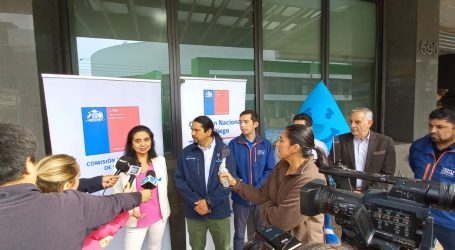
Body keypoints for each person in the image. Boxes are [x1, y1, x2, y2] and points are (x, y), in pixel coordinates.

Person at [0, 123, 152, 250]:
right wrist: (140, 197)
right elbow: (114, 204)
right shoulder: (71, 205)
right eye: (77, 177)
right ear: (27, 164)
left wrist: (99, 181)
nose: (143, 144)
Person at [220, 124, 326, 245]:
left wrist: (266, 205)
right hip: (281, 242)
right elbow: (261, 195)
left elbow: (281, 220)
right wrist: (234, 182)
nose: (277, 143)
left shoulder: (310, 178)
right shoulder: (282, 166)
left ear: (295, 148)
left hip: (303, 245)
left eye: (281, 140)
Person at [36, 154, 130, 250]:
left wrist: (98, 181)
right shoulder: (77, 214)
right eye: (78, 177)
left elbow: (68, 188)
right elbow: (107, 228)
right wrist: (127, 201)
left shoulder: (33, 205)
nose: (78, 181)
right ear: (68, 185)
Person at [274, 112, 338, 245]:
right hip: (292, 191)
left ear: (310, 129)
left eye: (300, 128)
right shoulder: (283, 148)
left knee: (313, 228)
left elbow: (325, 168)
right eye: (294, 127)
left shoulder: (320, 146)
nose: (296, 131)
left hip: (314, 192)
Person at [174, 116, 235, 250]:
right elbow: (179, 180)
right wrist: (197, 201)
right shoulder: (186, 152)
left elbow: (229, 182)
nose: (192, 133)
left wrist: (209, 202)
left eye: (197, 130)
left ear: (208, 131)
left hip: (219, 211)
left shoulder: (224, 151)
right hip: (194, 211)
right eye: (192, 129)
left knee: (224, 247)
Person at [113, 125, 171, 250]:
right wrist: (130, 211)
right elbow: (117, 193)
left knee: (155, 247)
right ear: (131, 144)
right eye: (137, 141)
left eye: (146, 139)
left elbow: (163, 184)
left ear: (151, 141)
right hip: (135, 217)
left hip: (159, 215)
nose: (143, 144)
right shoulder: (122, 165)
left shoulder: (160, 161)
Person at [409, 107, 455, 249]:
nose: (432, 130)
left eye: (440, 127)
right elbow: (414, 167)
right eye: (431, 125)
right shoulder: (418, 146)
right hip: (421, 215)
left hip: (450, 221)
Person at [228, 110, 275, 250]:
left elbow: (270, 169)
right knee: (239, 234)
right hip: (240, 197)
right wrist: (242, 187)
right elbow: (231, 171)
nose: (242, 125)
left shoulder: (265, 144)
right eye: (240, 122)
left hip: (260, 197)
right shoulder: (233, 144)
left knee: (262, 233)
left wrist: (256, 188)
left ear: (255, 124)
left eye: (246, 122)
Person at [329, 107, 396, 192]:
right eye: (351, 121)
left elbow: (388, 174)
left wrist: (366, 192)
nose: (352, 125)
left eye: (357, 122)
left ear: (369, 123)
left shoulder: (385, 142)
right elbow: (333, 167)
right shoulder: (339, 140)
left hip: (374, 195)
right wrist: (350, 190)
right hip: (346, 193)